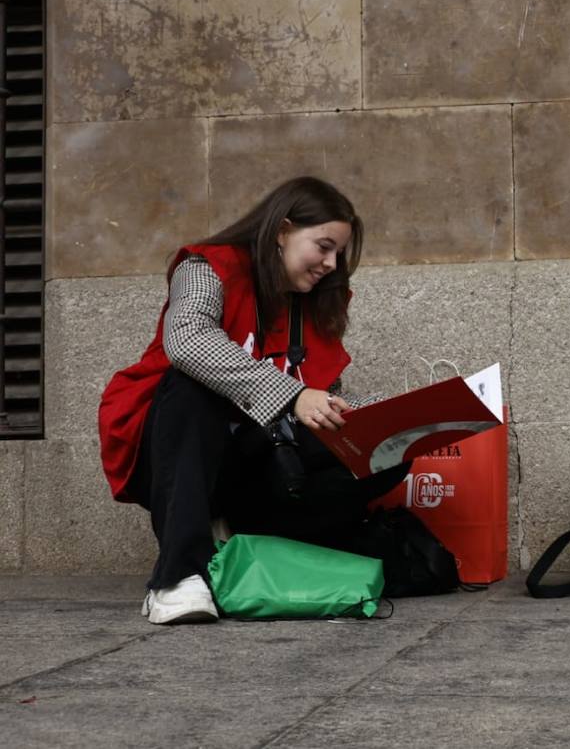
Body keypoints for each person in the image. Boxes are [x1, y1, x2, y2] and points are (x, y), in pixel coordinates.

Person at [98, 176, 407, 624]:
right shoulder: (208, 267)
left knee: (387, 450)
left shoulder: (314, 306)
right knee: (191, 387)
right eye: (323, 246)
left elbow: (324, 402)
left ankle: (258, 551)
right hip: (171, 445)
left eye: (338, 253)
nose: (331, 263)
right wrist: (292, 394)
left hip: (255, 458)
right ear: (282, 231)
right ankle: (176, 578)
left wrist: (403, 414)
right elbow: (186, 341)